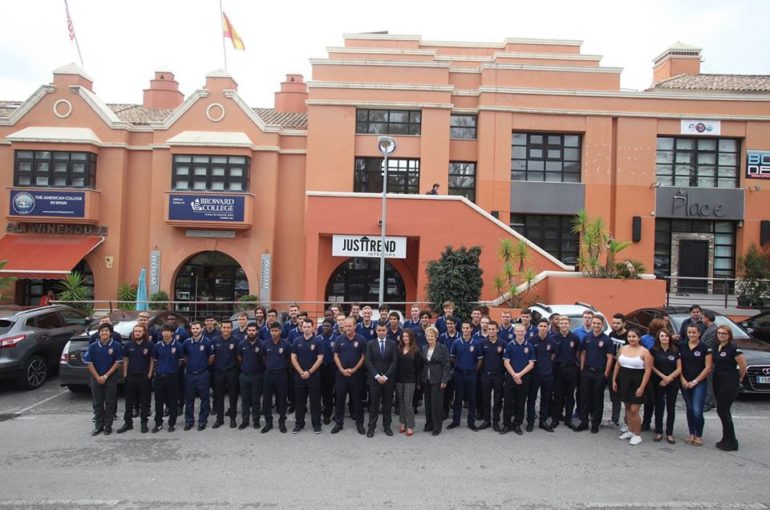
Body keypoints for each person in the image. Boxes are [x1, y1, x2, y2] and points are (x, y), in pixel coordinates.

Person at [575, 315, 615, 433]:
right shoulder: (587, 337)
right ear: (591, 324)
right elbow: (583, 353)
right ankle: (584, 422)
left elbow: (610, 358)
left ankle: (595, 423)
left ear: (602, 325)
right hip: (586, 371)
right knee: (584, 398)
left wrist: (606, 374)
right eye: (594, 323)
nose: (596, 325)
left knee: (597, 399)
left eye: (598, 323)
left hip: (599, 373)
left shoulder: (607, 340)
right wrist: (582, 368)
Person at [612, 328, 652, 445]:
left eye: (634, 336)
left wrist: (642, 387)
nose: (631, 339)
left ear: (639, 338)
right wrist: (614, 380)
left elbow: (648, 371)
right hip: (624, 381)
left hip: (637, 382)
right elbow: (617, 365)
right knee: (628, 408)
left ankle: (637, 434)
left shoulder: (644, 352)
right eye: (629, 337)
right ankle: (630, 430)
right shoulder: (623, 349)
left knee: (635, 410)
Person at [712, 325, 747, 451]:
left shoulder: (733, 348)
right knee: (724, 411)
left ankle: (732, 441)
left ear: (729, 335)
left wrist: (740, 378)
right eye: (719, 333)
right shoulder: (716, 347)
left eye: (724, 333)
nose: (721, 335)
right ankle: (726, 438)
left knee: (722, 410)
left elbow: (742, 365)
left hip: (729, 382)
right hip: (718, 381)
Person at [85, 323, 123, 436]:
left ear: (110, 333)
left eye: (106, 331)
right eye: (102, 331)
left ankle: (108, 426)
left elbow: (118, 363)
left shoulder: (116, 345)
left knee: (110, 402)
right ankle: (98, 426)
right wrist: (97, 377)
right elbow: (89, 363)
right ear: (99, 333)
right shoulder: (93, 346)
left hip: (110, 378)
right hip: (96, 378)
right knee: (97, 402)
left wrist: (106, 376)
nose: (104, 333)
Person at [679, 324, 713, 446]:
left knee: (697, 410)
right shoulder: (681, 346)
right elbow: (679, 366)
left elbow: (708, 368)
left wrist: (695, 381)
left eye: (694, 333)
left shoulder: (705, 348)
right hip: (684, 382)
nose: (691, 335)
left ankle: (699, 435)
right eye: (689, 333)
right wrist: (682, 380)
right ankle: (691, 433)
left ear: (699, 333)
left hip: (699, 383)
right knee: (690, 408)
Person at [332, 318, 367, 435]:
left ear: (354, 326)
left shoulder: (361, 340)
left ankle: (360, 423)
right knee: (340, 399)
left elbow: (363, 356)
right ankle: (338, 423)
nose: (347, 328)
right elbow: (336, 355)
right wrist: (342, 369)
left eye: (349, 326)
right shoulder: (339, 339)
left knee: (357, 400)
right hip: (341, 375)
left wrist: (354, 369)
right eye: (346, 326)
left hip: (356, 375)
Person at [117, 324, 154, 434]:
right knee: (129, 401)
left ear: (144, 333)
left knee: (145, 401)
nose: (137, 333)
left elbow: (152, 360)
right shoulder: (128, 345)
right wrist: (125, 374)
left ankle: (144, 423)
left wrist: (150, 374)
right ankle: (128, 423)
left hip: (144, 377)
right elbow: (125, 359)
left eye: (139, 331)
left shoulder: (150, 345)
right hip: (131, 376)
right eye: (135, 331)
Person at [290, 318, 324, 434]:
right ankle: (299, 424)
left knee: (315, 402)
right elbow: (293, 357)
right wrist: (301, 372)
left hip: (313, 377)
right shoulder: (296, 341)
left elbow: (320, 359)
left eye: (308, 327)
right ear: (301, 327)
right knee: (299, 402)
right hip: (299, 377)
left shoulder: (318, 341)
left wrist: (309, 372)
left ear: (313, 328)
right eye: (304, 327)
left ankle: (316, 424)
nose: (306, 329)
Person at [501, 324, 536, 435]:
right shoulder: (509, 345)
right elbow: (506, 362)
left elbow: (531, 364)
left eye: (522, 331)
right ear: (514, 332)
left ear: (525, 332)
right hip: (511, 378)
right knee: (507, 402)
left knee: (520, 402)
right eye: (518, 331)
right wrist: (514, 375)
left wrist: (519, 375)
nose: (520, 333)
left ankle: (517, 424)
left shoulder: (529, 346)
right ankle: (507, 424)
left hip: (524, 378)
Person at [448, 321, 483, 430]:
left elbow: (480, 359)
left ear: (471, 329)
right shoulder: (456, 343)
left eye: (468, 328)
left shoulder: (476, 343)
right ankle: (456, 421)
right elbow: (452, 357)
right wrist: (457, 366)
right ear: (461, 329)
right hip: (459, 374)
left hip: (471, 375)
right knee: (458, 399)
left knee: (472, 399)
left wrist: (474, 370)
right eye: (464, 328)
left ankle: (471, 422)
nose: (466, 330)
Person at [365, 323, 398, 437]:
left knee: (387, 405)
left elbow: (394, 361)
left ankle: (387, 426)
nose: (381, 332)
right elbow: (368, 362)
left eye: (383, 330)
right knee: (374, 405)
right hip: (375, 380)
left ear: (386, 331)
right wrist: (377, 376)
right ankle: (371, 428)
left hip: (388, 380)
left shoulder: (393, 344)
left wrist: (386, 376)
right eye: (379, 330)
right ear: (376, 331)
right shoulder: (370, 344)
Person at [650, 329, 682, 444]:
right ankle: (658, 431)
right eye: (662, 336)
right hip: (658, 381)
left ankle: (669, 433)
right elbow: (651, 366)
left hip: (672, 382)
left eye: (666, 336)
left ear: (669, 337)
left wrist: (669, 378)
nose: (664, 338)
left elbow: (679, 368)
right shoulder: (653, 350)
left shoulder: (675, 350)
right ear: (658, 337)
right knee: (659, 407)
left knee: (671, 408)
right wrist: (662, 376)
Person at [182, 321, 214, 431]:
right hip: (190, 374)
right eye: (193, 329)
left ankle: (202, 421)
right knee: (189, 399)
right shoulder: (186, 343)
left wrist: (203, 366)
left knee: (204, 399)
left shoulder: (207, 342)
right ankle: (189, 421)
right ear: (191, 330)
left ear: (201, 329)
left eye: (197, 328)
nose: (195, 330)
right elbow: (185, 357)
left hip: (203, 374)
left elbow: (211, 358)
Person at [152, 323, 184, 433]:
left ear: (172, 333)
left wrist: (172, 368)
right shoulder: (157, 346)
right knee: (158, 401)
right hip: (160, 376)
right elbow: (155, 361)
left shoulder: (178, 346)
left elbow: (180, 360)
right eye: (164, 331)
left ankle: (172, 423)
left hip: (172, 377)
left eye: (168, 331)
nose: (165, 333)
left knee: (173, 401)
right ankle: (158, 423)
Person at [261, 322, 291, 433]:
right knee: (267, 400)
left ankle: (282, 422)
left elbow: (288, 359)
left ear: (280, 331)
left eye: (276, 331)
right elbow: (263, 358)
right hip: (269, 374)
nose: (274, 333)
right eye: (272, 331)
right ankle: (268, 423)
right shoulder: (265, 344)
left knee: (282, 400)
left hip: (282, 374)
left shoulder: (286, 344)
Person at [421, 326, 451, 436]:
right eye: (428, 336)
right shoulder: (424, 348)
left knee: (436, 404)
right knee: (428, 403)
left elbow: (446, 365)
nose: (429, 338)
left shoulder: (442, 348)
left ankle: (437, 427)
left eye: (431, 336)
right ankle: (429, 424)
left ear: (436, 337)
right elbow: (422, 364)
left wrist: (444, 380)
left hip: (438, 379)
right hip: (426, 379)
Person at [551, 315, 580, 429]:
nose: (563, 325)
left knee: (570, 395)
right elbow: (551, 354)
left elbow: (577, 354)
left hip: (571, 368)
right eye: (561, 323)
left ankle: (568, 419)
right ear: (559, 325)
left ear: (569, 324)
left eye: (565, 323)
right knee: (557, 395)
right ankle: (556, 419)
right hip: (557, 368)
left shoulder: (575, 338)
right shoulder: (554, 338)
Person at [528, 319, 557, 432]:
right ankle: (530, 422)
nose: (543, 328)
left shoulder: (552, 341)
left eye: (545, 326)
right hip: (534, 375)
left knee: (545, 399)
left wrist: (547, 364)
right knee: (532, 399)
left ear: (548, 327)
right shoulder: (531, 340)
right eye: (541, 325)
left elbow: (553, 355)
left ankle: (542, 421)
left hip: (547, 375)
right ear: (538, 327)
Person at [479, 321, 507, 431]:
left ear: (497, 330)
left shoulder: (503, 343)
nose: (491, 331)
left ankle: (496, 421)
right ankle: (487, 421)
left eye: (493, 329)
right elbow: (480, 360)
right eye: (489, 329)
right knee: (485, 399)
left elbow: (506, 361)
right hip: (486, 375)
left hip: (499, 376)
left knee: (498, 400)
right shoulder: (482, 343)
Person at [212, 320, 239, 429]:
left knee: (233, 396)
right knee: (219, 396)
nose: (226, 329)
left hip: (232, 371)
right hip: (219, 371)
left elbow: (239, 357)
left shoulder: (236, 341)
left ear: (231, 329)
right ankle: (220, 419)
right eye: (224, 327)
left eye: (228, 327)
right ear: (221, 328)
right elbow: (212, 357)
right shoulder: (215, 340)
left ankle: (233, 419)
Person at [236, 322, 264, 429]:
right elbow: (239, 357)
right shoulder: (241, 344)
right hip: (244, 376)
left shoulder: (262, 344)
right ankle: (245, 421)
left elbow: (264, 360)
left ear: (256, 331)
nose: (251, 332)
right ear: (247, 331)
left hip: (257, 376)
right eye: (249, 330)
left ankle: (256, 421)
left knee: (256, 399)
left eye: (253, 330)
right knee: (245, 400)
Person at [396, 329, 423, 436]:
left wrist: (418, 382)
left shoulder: (416, 351)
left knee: (408, 403)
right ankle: (402, 423)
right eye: (403, 336)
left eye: (407, 336)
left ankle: (410, 425)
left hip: (410, 381)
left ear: (411, 337)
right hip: (399, 380)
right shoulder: (398, 349)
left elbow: (419, 368)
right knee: (401, 403)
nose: (405, 338)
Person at [607, 313, 629, 430]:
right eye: (614, 322)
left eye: (618, 323)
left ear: (624, 323)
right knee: (614, 397)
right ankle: (614, 420)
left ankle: (627, 422)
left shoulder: (628, 337)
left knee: (626, 398)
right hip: (612, 370)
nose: (615, 325)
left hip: (624, 372)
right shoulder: (611, 334)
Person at [317, 318, 338, 424]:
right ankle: (317, 411)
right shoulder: (317, 339)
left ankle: (327, 414)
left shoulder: (336, 339)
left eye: (328, 326)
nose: (325, 327)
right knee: (318, 392)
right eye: (324, 325)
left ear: (332, 327)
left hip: (331, 368)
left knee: (328, 393)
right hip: (319, 368)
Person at [701, 311, 718, 411]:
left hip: (709, 359)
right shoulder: (708, 329)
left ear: (707, 318)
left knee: (709, 381)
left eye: (703, 317)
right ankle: (711, 401)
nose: (702, 319)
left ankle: (708, 402)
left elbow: (707, 345)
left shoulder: (713, 330)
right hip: (707, 358)